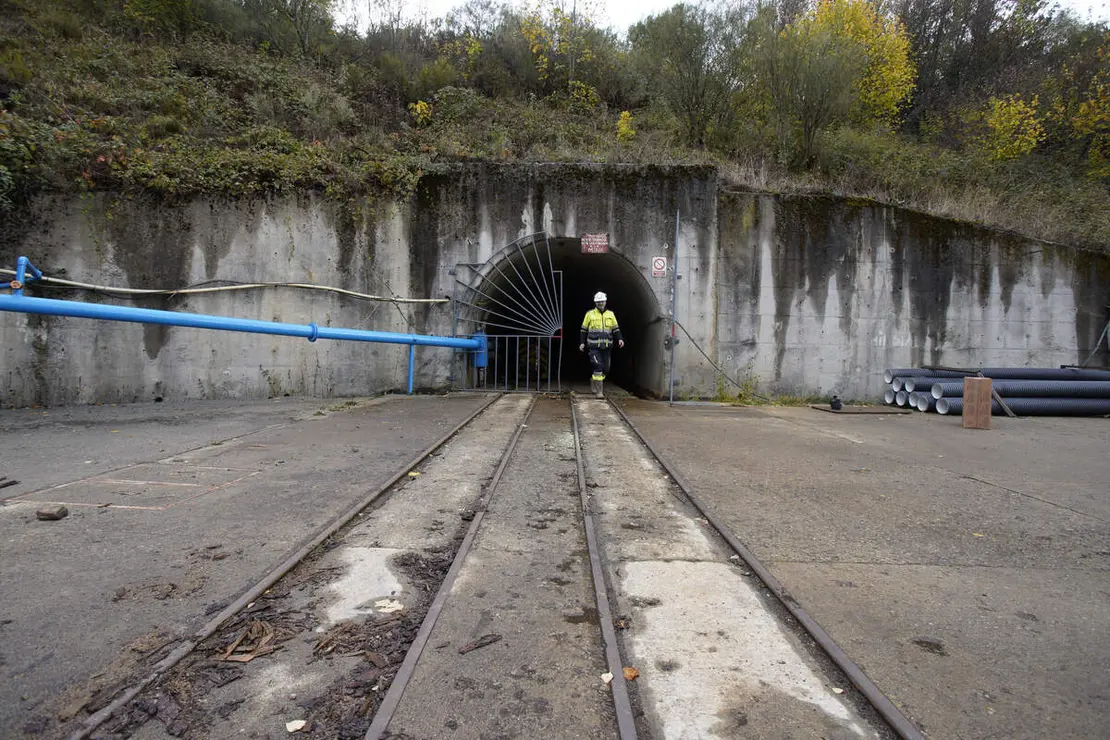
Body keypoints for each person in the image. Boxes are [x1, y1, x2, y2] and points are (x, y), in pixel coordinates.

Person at [579, 291, 624, 398]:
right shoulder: (589, 314)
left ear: (605, 302)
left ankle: (594, 379)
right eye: (598, 302)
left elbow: (615, 329)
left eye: (602, 301)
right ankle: (599, 392)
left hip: (607, 347)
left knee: (606, 369)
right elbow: (583, 330)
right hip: (594, 347)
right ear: (595, 303)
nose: (600, 303)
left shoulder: (611, 314)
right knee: (598, 366)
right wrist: (582, 343)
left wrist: (620, 339)